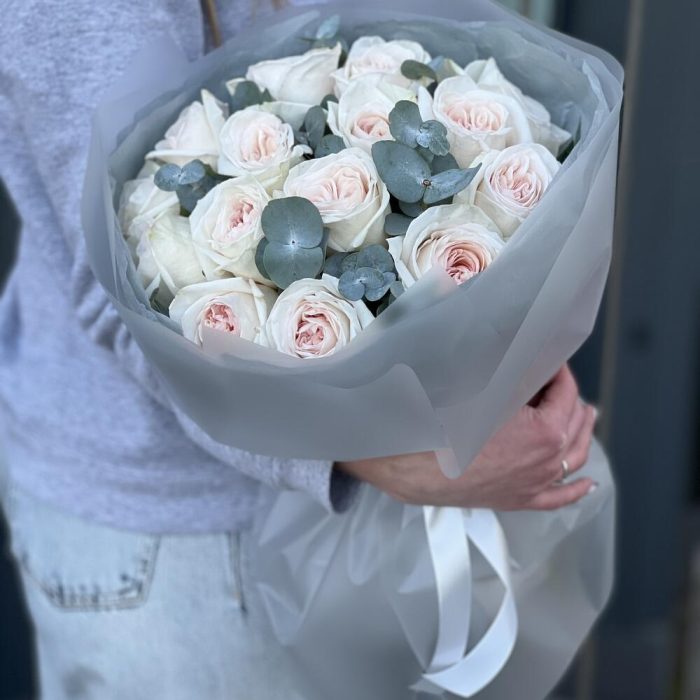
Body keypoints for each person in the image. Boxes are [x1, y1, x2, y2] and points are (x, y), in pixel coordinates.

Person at [0, 1, 597, 697]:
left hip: (348, 511)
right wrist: (380, 461)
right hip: (180, 533)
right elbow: (118, 290)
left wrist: (507, 359)